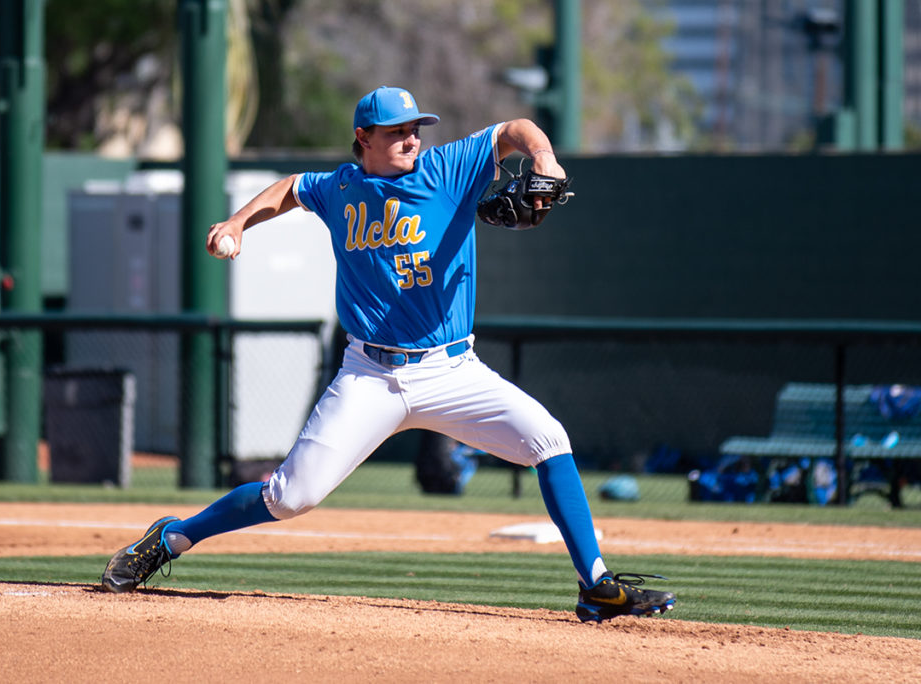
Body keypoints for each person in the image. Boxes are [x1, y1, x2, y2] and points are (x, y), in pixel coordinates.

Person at [101, 86, 676, 623]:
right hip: (370, 374)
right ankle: (172, 537)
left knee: (549, 441)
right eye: (395, 130)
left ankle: (595, 586)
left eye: (415, 128)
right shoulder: (342, 186)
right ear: (363, 139)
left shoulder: (448, 169)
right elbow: (293, 188)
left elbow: (515, 128)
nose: (410, 138)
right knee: (289, 498)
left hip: (453, 371)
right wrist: (237, 222)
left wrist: (545, 161)